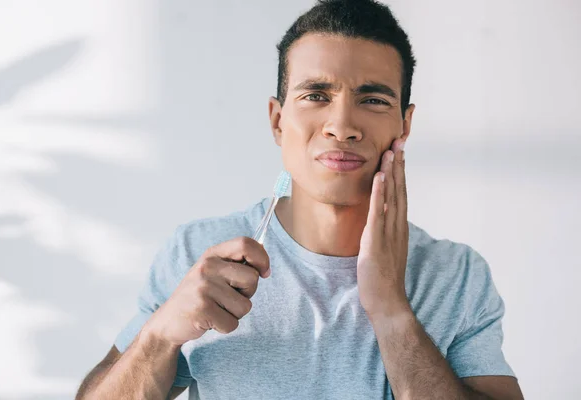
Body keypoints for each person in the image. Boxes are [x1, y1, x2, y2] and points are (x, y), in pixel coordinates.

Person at [76, 0, 524, 399]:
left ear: (404, 126)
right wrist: (159, 338)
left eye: (372, 99)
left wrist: (391, 310)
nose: (341, 125)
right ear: (277, 120)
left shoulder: (457, 276)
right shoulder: (198, 254)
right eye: (316, 95)